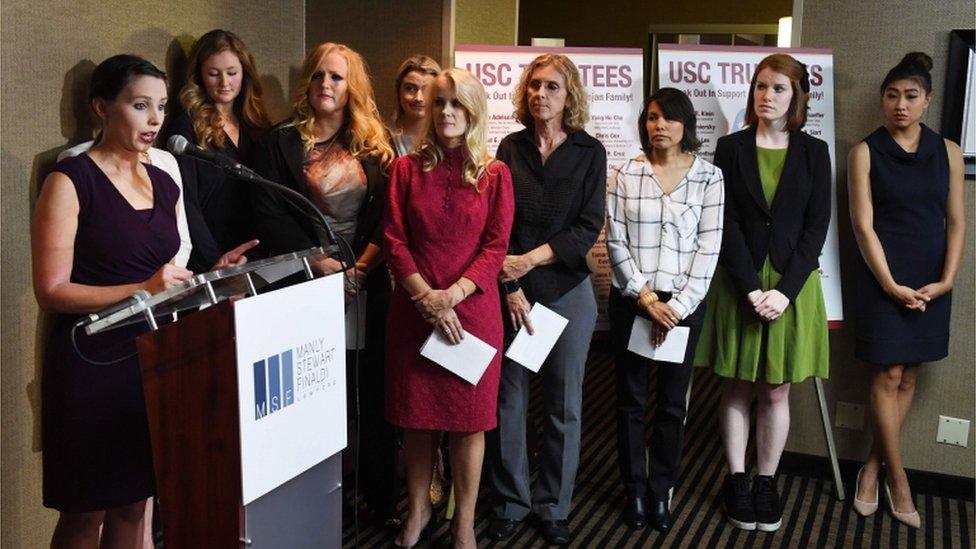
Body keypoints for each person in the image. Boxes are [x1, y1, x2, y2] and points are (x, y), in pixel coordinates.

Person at [33, 54, 252, 549]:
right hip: (91, 362)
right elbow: (51, 289)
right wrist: (142, 291)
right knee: (85, 514)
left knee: (136, 508)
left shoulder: (164, 182)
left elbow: (164, 275)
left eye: (160, 106)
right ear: (101, 108)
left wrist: (212, 278)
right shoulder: (69, 181)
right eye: (139, 105)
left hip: (154, 358)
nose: (155, 119)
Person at [248, 42, 397, 525]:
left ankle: (375, 498)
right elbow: (269, 213)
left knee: (367, 393)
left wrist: (361, 269)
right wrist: (320, 266)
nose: (326, 86)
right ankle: (308, 500)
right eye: (318, 76)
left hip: (366, 283)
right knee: (309, 394)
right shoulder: (280, 142)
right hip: (303, 286)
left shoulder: (376, 145)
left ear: (351, 85)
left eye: (336, 77)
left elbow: (387, 220)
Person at [694, 53, 831, 532]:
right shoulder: (730, 147)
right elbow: (724, 221)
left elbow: (817, 228)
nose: (765, 95)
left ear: (796, 97)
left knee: (775, 390)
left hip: (792, 289)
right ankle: (735, 479)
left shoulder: (815, 152)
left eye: (777, 88)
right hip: (740, 284)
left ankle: (766, 481)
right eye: (760, 86)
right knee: (734, 383)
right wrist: (752, 288)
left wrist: (786, 292)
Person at [384, 68, 513, 549]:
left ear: (474, 109)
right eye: (439, 102)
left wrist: (452, 296)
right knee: (416, 420)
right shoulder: (404, 170)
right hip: (413, 312)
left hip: (473, 314)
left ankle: (463, 524)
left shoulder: (495, 175)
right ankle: (417, 512)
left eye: (456, 104)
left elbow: (496, 247)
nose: (446, 112)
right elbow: (395, 240)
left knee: (468, 422)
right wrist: (426, 298)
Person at [486, 53, 605, 546]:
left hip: (568, 293)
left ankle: (553, 506)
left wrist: (528, 262)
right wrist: (511, 284)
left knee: (564, 405)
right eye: (535, 86)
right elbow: (497, 226)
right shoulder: (509, 148)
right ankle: (511, 502)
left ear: (569, 95)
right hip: (514, 295)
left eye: (553, 87)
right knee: (509, 400)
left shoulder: (589, 151)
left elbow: (586, 227)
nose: (541, 95)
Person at [848, 52, 965, 529]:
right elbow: (862, 225)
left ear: (927, 101)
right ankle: (899, 480)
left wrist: (949, 279)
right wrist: (891, 285)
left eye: (910, 96)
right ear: (883, 100)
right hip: (883, 276)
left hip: (933, 277)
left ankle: (871, 469)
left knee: (910, 374)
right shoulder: (865, 151)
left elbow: (956, 222)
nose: (900, 104)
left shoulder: (949, 151)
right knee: (887, 373)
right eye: (892, 95)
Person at [605, 88, 724, 532]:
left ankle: (661, 492)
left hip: (683, 309)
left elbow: (708, 250)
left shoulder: (710, 178)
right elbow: (615, 242)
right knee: (630, 401)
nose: (659, 126)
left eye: (669, 118)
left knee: (673, 405)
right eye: (653, 117)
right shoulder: (624, 173)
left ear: (685, 124)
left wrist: (677, 308)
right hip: (635, 303)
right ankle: (634, 491)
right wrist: (647, 298)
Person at [163, 29, 273, 272]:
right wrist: (215, 262)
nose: (224, 83)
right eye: (214, 74)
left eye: (232, 73)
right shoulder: (186, 128)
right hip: (212, 257)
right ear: (199, 77)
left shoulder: (258, 126)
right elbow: (186, 203)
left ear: (245, 73)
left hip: (257, 253)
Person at [389, 55, 441, 156]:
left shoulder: (446, 142)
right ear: (398, 91)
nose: (419, 98)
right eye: (410, 88)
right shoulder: (380, 141)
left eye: (428, 90)